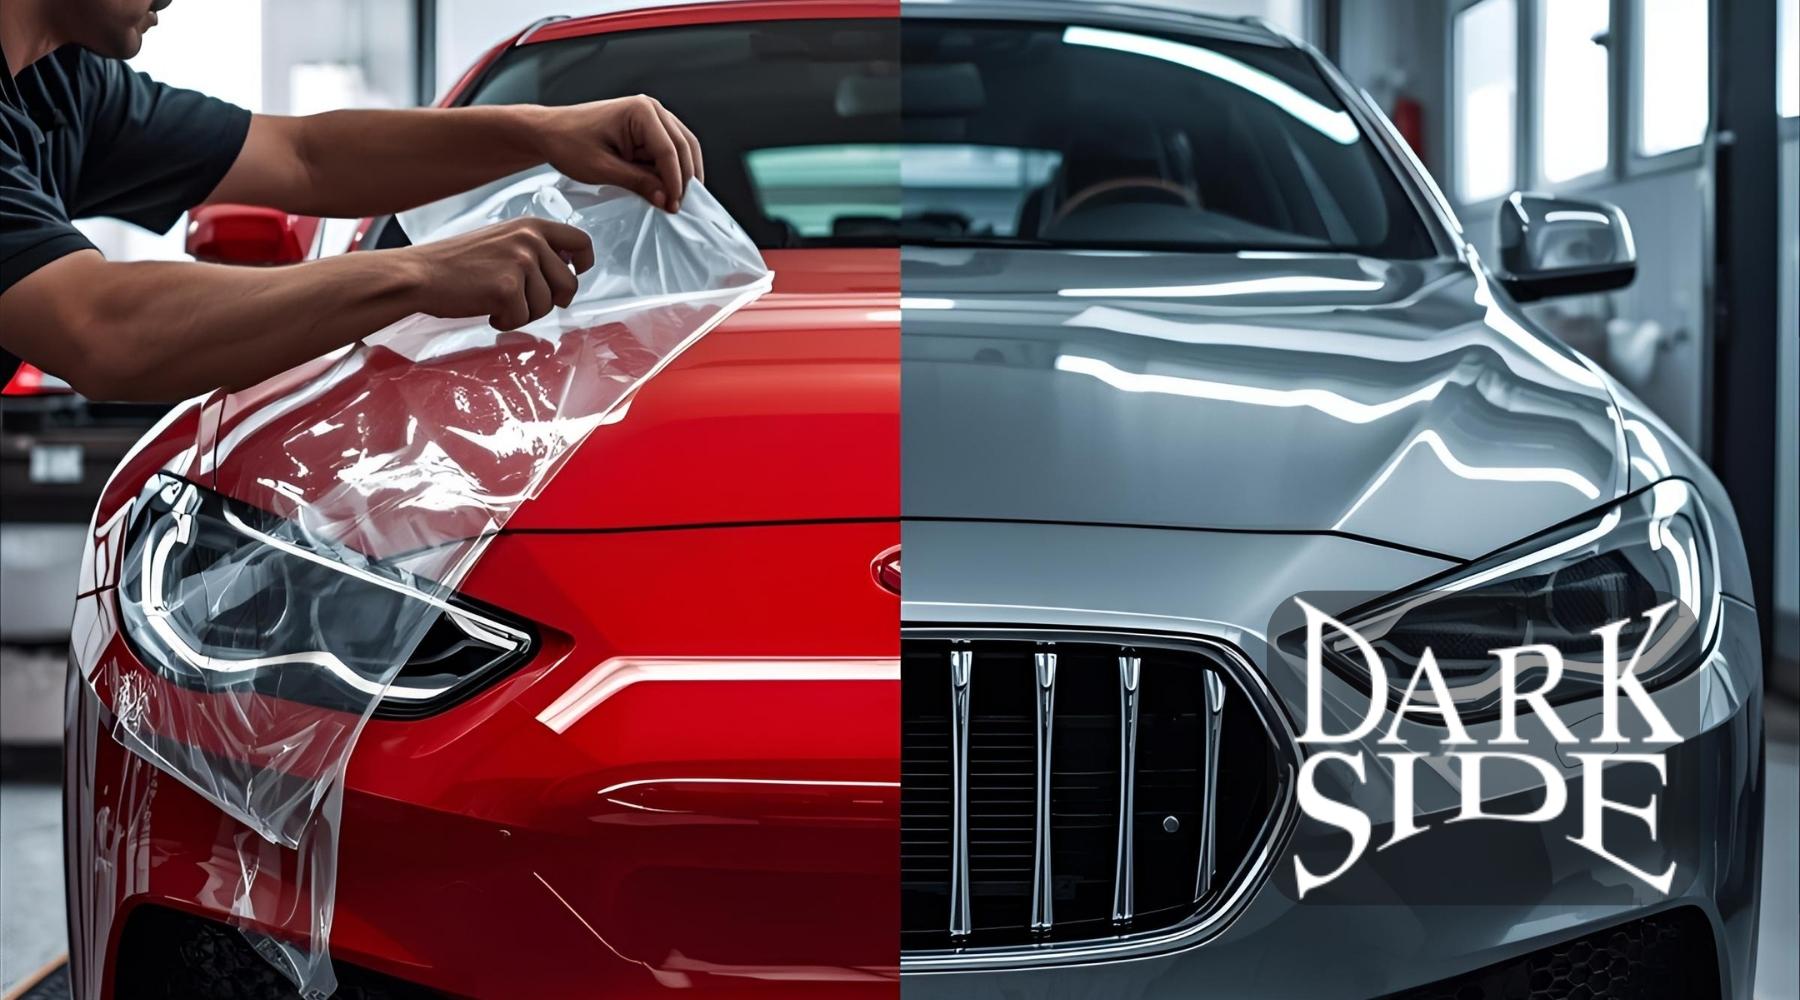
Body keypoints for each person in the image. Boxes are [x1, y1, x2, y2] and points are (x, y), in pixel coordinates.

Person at [0, 0, 704, 400]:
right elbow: (98, 329)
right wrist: (418, 273)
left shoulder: (64, 86)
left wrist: (543, 129)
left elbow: (305, 158)